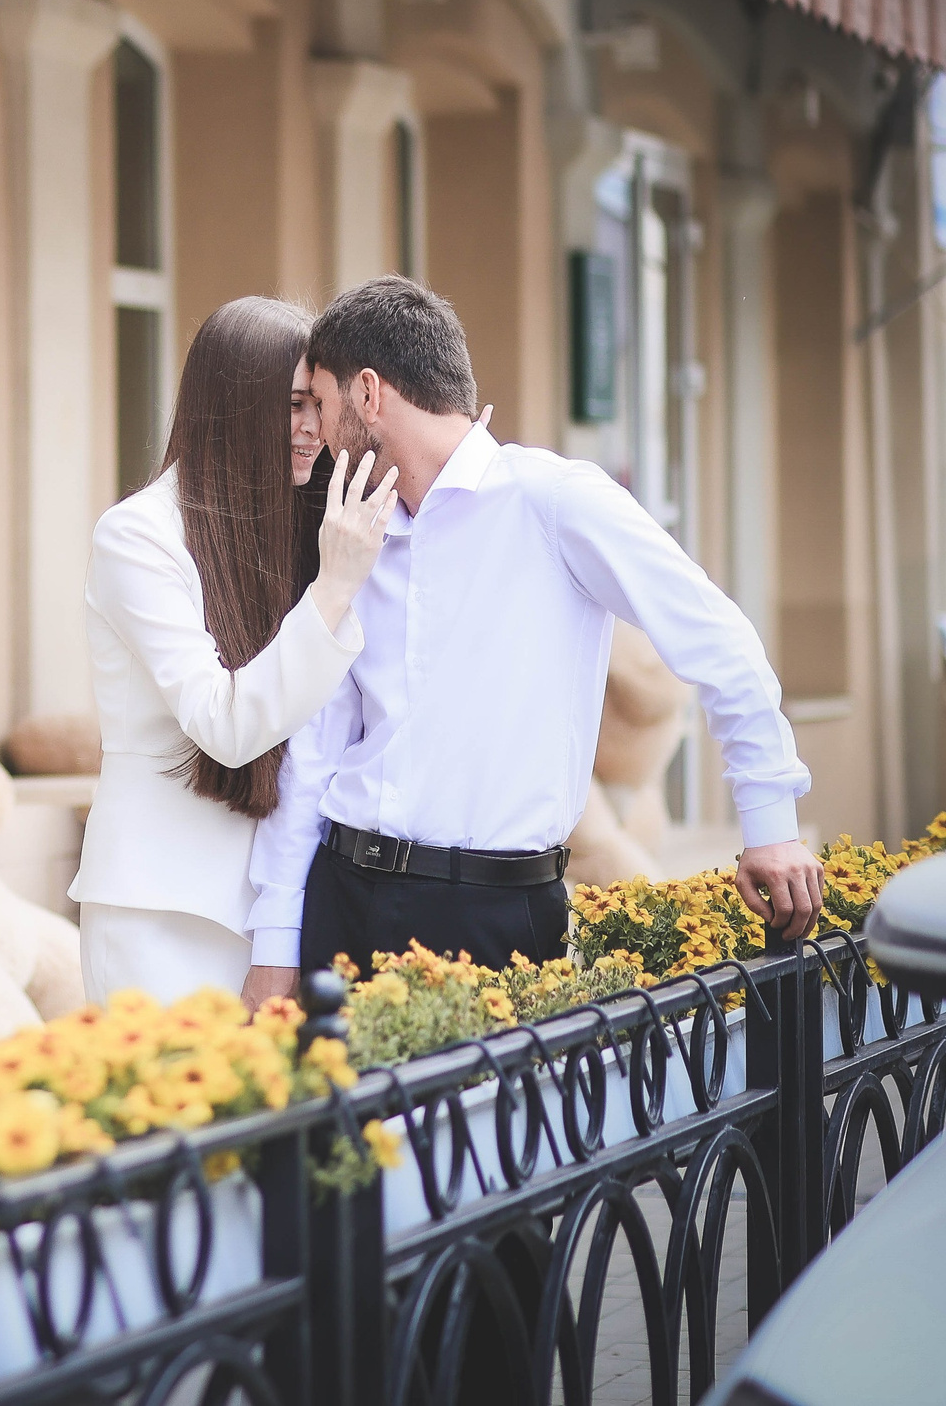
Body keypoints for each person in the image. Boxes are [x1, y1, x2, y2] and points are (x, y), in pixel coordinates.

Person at [242, 278, 821, 1008]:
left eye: (319, 403)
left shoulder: (555, 500)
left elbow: (717, 637)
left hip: (493, 916)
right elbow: (318, 746)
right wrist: (276, 937)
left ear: (367, 394)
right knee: (342, 1129)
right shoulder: (356, 532)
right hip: (343, 897)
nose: (317, 435)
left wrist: (770, 821)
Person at [72, 296, 400, 1005]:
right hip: (161, 909)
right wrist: (332, 588)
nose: (313, 430)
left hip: (279, 912)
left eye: (317, 404)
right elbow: (224, 724)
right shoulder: (136, 537)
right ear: (231, 406)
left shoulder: (296, 523)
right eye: (291, 406)